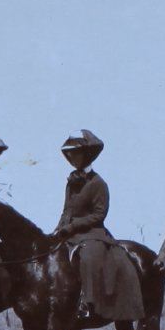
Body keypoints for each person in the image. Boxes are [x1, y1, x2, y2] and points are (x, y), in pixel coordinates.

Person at [52, 129, 144, 320]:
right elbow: (66, 209)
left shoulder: (98, 183)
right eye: (70, 153)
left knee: (88, 257)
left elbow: (99, 214)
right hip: (70, 232)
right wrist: (58, 228)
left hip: (92, 233)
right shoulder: (71, 182)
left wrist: (73, 226)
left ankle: (86, 303)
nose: (72, 157)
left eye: (76, 153)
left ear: (86, 155)